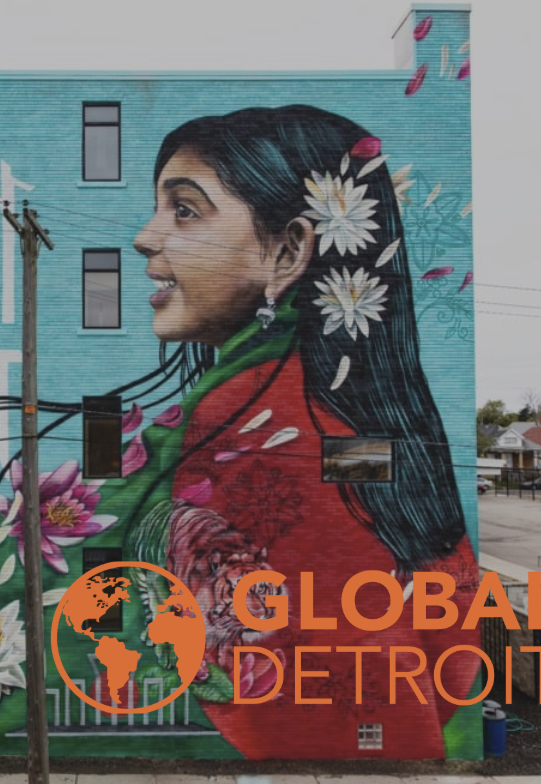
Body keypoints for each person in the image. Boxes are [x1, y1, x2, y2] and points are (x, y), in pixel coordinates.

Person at [127, 105, 481, 759]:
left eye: (185, 209)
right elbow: (446, 660)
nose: (146, 238)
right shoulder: (363, 421)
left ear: (289, 249)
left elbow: (323, 667)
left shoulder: (250, 420)